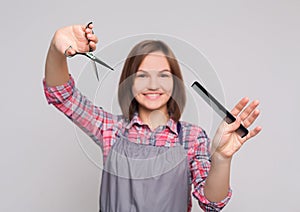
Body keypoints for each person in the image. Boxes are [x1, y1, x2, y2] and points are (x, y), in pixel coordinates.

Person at [43, 23, 262, 212]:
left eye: (163, 75)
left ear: (175, 82)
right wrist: (56, 48)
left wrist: (222, 159)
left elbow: (212, 203)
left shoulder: (192, 138)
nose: (153, 84)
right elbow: (63, 96)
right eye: (142, 75)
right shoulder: (110, 129)